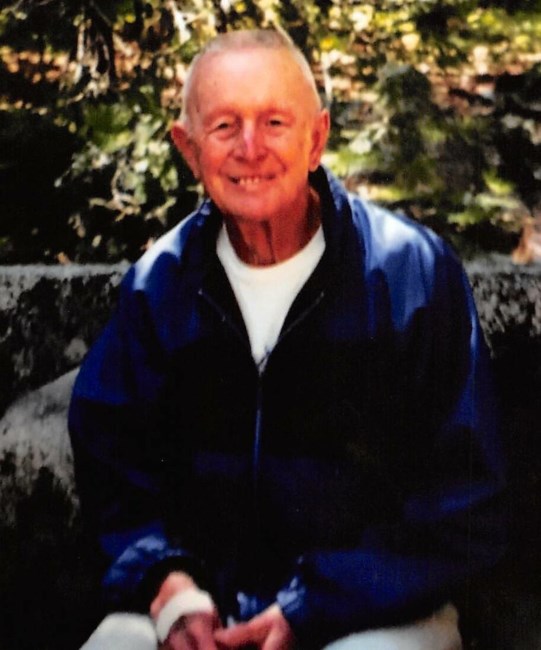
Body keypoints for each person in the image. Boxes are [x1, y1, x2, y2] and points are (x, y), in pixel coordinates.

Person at [69, 29, 505, 650]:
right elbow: (113, 476)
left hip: (374, 612)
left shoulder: (411, 274)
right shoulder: (158, 287)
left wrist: (312, 607)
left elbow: (465, 501)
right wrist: (171, 589)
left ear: (317, 139)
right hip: (207, 608)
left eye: (275, 122)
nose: (250, 148)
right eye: (224, 126)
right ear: (188, 149)